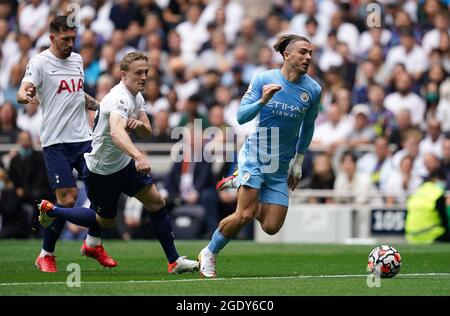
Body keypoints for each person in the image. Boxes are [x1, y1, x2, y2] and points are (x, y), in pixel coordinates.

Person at [37, 51, 199, 274]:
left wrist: (138, 125)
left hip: (123, 165)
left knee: (156, 203)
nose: (143, 77)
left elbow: (147, 131)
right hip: (102, 171)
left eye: (146, 72)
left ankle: (173, 261)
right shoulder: (118, 98)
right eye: (138, 73)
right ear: (124, 74)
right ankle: (53, 211)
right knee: (105, 222)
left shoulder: (137, 96)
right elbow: (115, 132)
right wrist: (139, 156)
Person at [198, 34, 322, 277]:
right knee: (243, 214)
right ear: (287, 55)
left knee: (271, 227)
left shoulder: (313, 90)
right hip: (254, 156)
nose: (308, 57)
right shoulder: (263, 79)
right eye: (303, 52)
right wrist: (263, 100)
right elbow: (242, 116)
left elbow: (308, 127)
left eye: (311, 53)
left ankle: (238, 181)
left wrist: (298, 161)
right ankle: (209, 253)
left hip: (279, 165)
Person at [16, 16, 101, 273]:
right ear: (52, 38)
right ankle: (46, 254)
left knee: (102, 188)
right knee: (68, 201)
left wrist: (99, 106)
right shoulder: (39, 62)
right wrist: (24, 95)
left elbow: (75, 94)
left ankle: (92, 243)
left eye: (73, 39)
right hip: (56, 142)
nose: (71, 44)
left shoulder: (77, 60)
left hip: (83, 138)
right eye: (65, 39)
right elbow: (25, 88)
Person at [405, 169, 450, 244]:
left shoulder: (418, 191)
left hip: (411, 236)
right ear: (437, 178)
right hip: (431, 234)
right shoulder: (438, 193)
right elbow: (444, 220)